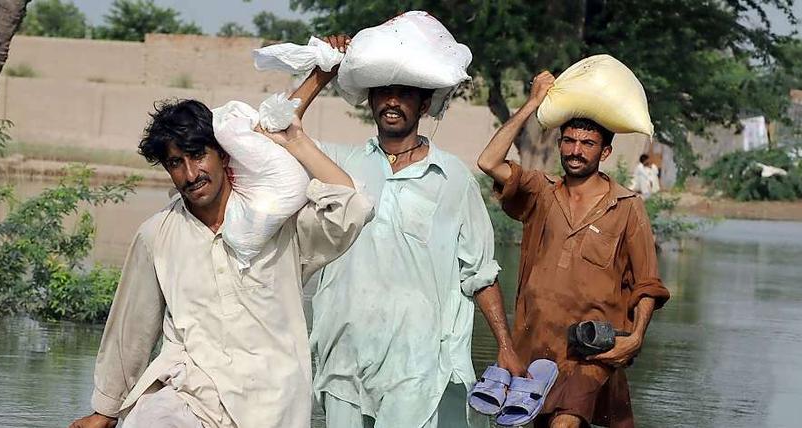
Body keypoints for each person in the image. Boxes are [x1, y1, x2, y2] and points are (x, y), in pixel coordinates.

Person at [68, 40, 373, 428]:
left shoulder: (280, 227)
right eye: (175, 163)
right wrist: (105, 410)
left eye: (198, 156)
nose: (190, 174)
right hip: (188, 396)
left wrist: (296, 138)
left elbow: (352, 208)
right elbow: (132, 328)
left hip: (271, 405)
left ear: (223, 153)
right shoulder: (157, 236)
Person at [291, 38, 516, 428]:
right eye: (383, 93)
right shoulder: (342, 166)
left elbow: (479, 272)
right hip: (345, 356)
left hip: (418, 364)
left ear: (424, 105)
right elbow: (274, 131)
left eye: (404, 94)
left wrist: (506, 346)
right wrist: (323, 72)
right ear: (371, 101)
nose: (392, 102)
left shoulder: (453, 178)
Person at [477, 71, 670, 428]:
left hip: (591, 349)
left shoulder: (627, 206)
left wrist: (637, 337)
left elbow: (647, 283)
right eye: (569, 141)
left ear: (606, 151)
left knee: (565, 423)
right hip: (535, 346)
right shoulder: (541, 191)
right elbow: (489, 162)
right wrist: (533, 104)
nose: (575, 151)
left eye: (587, 143)